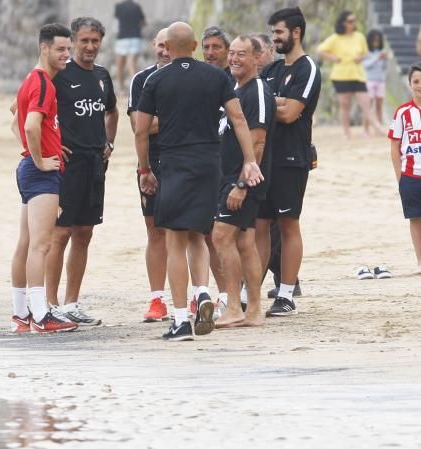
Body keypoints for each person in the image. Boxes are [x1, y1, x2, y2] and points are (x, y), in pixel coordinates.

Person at [135, 21, 263, 341]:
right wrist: (249, 161)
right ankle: (203, 292)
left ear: (169, 47)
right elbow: (238, 119)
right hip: (210, 164)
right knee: (198, 234)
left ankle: (180, 319)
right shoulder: (217, 76)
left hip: (175, 162)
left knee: (174, 240)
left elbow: (140, 130)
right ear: (194, 45)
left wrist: (144, 169)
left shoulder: (156, 79)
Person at [45, 17, 118, 327]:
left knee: (84, 234)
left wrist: (109, 143)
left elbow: (112, 111)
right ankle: (49, 304)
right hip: (67, 164)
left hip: (94, 164)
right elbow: (22, 112)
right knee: (59, 233)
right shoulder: (59, 75)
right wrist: (51, 146)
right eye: (84, 41)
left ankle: (72, 303)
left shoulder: (102, 76)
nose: (90, 46)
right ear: (73, 41)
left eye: (95, 41)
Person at [10, 23, 77, 333]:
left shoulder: (30, 80)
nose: (67, 54)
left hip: (28, 168)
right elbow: (29, 126)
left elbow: (16, 117)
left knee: (25, 243)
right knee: (41, 245)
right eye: (61, 49)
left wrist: (44, 144)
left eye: (69, 49)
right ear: (44, 48)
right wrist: (39, 157)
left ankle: (21, 313)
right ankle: (40, 316)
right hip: (39, 172)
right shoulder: (45, 84)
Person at [258, 7, 321, 317]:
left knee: (288, 224)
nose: (274, 38)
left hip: (291, 158)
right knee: (258, 226)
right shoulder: (270, 71)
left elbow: (289, 113)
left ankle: (286, 294)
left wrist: (275, 102)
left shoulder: (308, 69)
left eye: (279, 32)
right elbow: (250, 103)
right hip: (263, 158)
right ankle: (248, 292)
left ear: (296, 33)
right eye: (272, 33)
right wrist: (277, 101)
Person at [212, 35, 276, 328]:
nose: (235, 59)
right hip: (231, 176)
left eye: (243, 54)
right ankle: (253, 312)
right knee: (245, 242)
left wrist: (240, 185)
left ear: (257, 58)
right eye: (233, 54)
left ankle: (235, 306)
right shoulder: (236, 89)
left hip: (243, 179)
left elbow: (258, 141)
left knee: (221, 237)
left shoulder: (258, 91)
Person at [128, 28, 170, 322]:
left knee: (197, 233)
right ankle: (157, 300)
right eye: (161, 45)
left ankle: (200, 296)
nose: (165, 51)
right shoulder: (141, 80)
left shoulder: (198, 76)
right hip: (151, 163)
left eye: (171, 45)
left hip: (188, 162)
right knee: (155, 232)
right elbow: (138, 127)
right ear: (153, 46)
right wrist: (179, 118)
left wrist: (157, 121)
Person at [197, 25, 235, 321]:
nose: (210, 53)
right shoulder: (201, 80)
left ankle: (243, 294)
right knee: (210, 234)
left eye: (216, 48)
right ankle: (224, 294)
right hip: (211, 164)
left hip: (237, 166)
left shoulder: (237, 80)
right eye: (206, 47)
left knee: (247, 235)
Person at [317, 10, 383, 138]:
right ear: (343, 23)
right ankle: (346, 133)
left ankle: (378, 128)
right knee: (345, 105)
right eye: (350, 21)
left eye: (354, 20)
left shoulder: (360, 36)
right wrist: (334, 58)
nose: (353, 23)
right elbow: (320, 50)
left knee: (366, 103)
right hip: (341, 75)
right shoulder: (335, 38)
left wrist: (361, 58)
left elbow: (366, 53)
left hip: (358, 75)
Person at [389, 63, 421, 273]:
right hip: (410, 175)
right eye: (416, 82)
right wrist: (400, 178)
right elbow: (394, 146)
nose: (420, 86)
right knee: (416, 218)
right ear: (410, 84)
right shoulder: (402, 112)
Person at [114, 0, 146, 95]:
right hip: (135, 37)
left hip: (122, 38)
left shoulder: (118, 6)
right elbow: (143, 23)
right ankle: (136, 88)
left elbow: (116, 21)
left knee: (120, 65)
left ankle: (121, 90)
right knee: (131, 62)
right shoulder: (137, 6)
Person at [363, 29, 388, 128]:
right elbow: (366, 65)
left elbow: (384, 68)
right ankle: (366, 128)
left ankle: (379, 127)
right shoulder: (366, 53)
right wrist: (377, 58)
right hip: (369, 81)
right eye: (374, 40)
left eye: (378, 40)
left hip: (380, 81)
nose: (376, 42)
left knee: (379, 106)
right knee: (368, 106)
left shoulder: (382, 52)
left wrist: (385, 59)